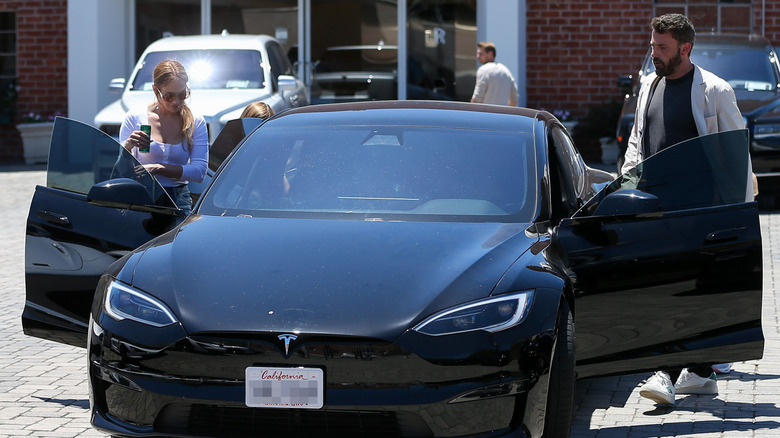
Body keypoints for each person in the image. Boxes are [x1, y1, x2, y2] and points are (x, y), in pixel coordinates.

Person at [624, 14, 755, 406]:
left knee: (678, 292)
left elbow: (736, 156)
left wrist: (739, 212)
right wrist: (627, 189)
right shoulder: (649, 84)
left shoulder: (714, 90)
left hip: (700, 213)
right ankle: (699, 373)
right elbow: (637, 141)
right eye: (652, 45)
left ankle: (664, 372)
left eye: (662, 47)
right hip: (656, 208)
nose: (654, 53)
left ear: (685, 48)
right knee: (678, 290)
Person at [119, 59, 208, 214]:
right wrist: (127, 147)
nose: (176, 102)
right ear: (155, 90)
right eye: (169, 96)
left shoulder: (195, 120)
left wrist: (159, 168)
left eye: (183, 94)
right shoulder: (135, 117)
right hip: (142, 196)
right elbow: (121, 169)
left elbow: (199, 172)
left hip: (178, 198)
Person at [470, 41, 518, 106]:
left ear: (490, 54)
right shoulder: (506, 71)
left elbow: (477, 98)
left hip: (486, 113)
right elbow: (514, 98)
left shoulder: (483, 70)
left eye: (481, 54)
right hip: (503, 114)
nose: (478, 56)